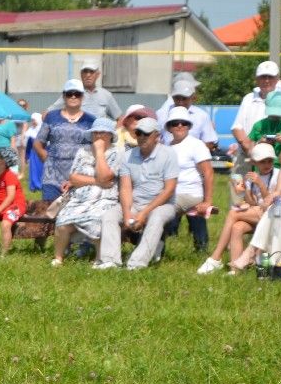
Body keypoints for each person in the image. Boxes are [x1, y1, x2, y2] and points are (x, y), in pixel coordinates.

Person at [94, 117, 178, 270]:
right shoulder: (127, 155)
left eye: (146, 134)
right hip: (136, 203)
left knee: (157, 217)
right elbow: (126, 188)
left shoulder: (168, 154)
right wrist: (127, 213)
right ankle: (110, 261)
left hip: (163, 204)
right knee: (110, 215)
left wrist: (144, 213)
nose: (141, 137)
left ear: (157, 136)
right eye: (138, 133)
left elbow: (169, 189)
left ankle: (137, 263)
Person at [198, 143, 281, 275]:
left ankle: (216, 257)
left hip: (273, 214)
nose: (267, 164)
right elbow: (252, 202)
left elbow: (270, 201)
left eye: (269, 161)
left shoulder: (277, 175)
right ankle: (235, 270)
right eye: (262, 161)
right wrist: (243, 191)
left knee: (232, 213)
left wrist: (260, 184)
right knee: (237, 227)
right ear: (254, 162)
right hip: (258, 215)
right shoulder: (251, 176)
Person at [52, 117, 121, 266]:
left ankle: (100, 258)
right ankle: (58, 258)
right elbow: (73, 177)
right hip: (80, 198)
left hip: (104, 198)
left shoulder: (117, 153)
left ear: (110, 135)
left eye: (103, 132)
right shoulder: (83, 151)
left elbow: (106, 176)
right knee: (63, 221)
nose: (98, 135)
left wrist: (100, 152)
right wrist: (98, 182)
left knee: (97, 220)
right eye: (95, 132)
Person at [161, 105, 215, 252]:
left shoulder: (196, 145)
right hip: (171, 192)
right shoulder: (166, 146)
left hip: (191, 193)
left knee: (159, 213)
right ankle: (159, 249)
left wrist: (207, 201)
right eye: (175, 123)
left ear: (189, 126)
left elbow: (208, 173)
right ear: (169, 127)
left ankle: (156, 251)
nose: (179, 126)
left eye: (183, 123)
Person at [35, 79, 95, 203]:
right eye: (69, 93)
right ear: (64, 96)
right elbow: (38, 143)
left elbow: (95, 147)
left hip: (79, 177)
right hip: (52, 178)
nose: (73, 97)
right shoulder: (52, 117)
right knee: (49, 216)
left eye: (77, 94)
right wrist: (47, 160)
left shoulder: (91, 120)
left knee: (75, 217)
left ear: (82, 97)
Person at [47, 59, 121, 120]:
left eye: (91, 72)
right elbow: (47, 113)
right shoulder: (72, 93)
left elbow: (119, 118)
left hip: (98, 135)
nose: (88, 75)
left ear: (98, 74)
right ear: (81, 74)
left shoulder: (106, 95)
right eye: (85, 72)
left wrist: (114, 134)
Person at [157, 77, 217, 148]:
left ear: (193, 98)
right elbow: (155, 138)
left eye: (184, 98)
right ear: (172, 97)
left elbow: (209, 141)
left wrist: (193, 153)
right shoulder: (161, 114)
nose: (180, 102)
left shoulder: (202, 116)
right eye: (177, 98)